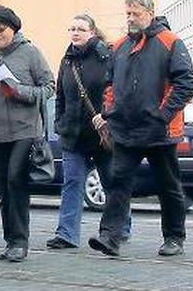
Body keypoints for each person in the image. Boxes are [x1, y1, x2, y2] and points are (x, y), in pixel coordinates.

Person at [89, 0, 193, 257]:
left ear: (149, 12)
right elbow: (110, 83)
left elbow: (186, 84)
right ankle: (110, 237)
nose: (130, 18)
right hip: (126, 129)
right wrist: (110, 111)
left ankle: (174, 238)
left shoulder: (170, 42)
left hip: (159, 129)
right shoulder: (120, 46)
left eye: (135, 13)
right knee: (118, 182)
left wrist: (163, 114)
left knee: (168, 186)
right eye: (127, 13)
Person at [0, 5, 55, 262]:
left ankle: (20, 241)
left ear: (13, 28)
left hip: (25, 130)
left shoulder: (29, 53)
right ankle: (10, 241)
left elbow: (49, 87)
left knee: (16, 180)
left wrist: (19, 91)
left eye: (0, 29)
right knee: (4, 186)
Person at [46, 14, 131, 250]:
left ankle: (121, 228)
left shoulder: (106, 56)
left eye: (81, 29)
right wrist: (60, 124)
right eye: (72, 28)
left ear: (92, 32)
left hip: (102, 134)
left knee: (110, 182)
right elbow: (60, 95)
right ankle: (66, 234)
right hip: (73, 135)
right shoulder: (67, 60)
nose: (75, 33)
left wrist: (107, 117)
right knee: (72, 182)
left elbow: (117, 91)